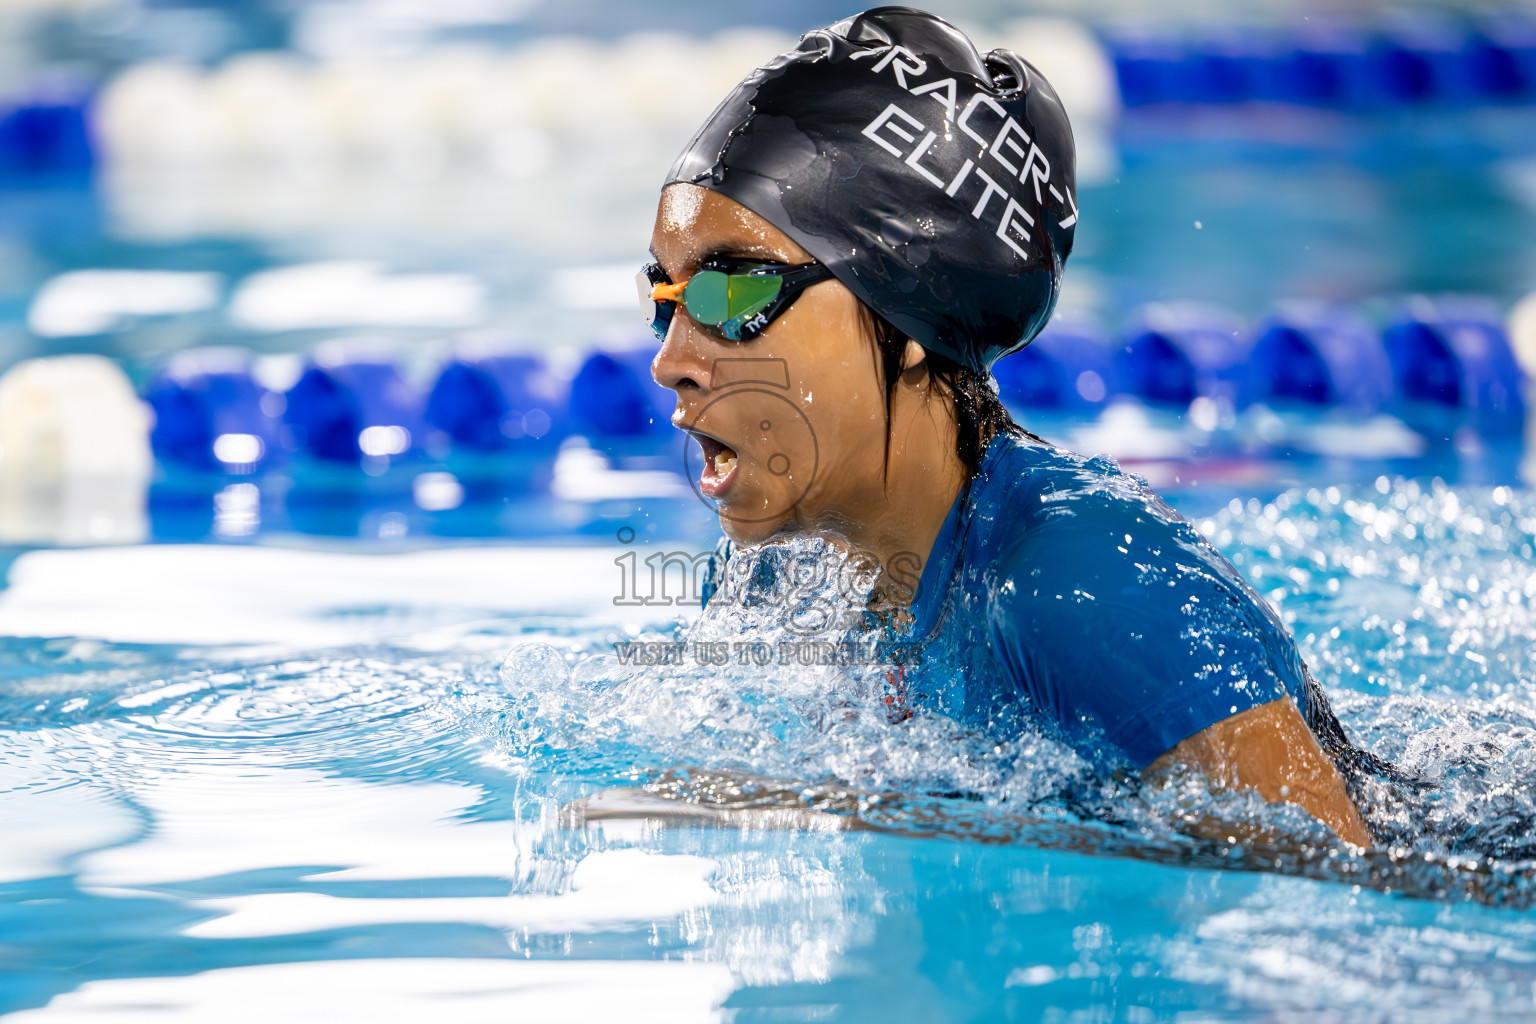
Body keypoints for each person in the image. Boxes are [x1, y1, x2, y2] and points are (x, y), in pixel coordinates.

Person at [643, 7, 1375, 846]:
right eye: (663, 295)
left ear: (909, 315)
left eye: (732, 292)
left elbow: (1342, 879)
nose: (671, 360)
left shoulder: (1081, 585)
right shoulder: (779, 582)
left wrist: (869, 815)